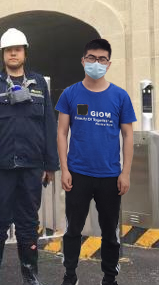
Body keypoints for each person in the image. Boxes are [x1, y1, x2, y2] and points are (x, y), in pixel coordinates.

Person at [0, 28, 59, 285]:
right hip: (0, 167)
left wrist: (50, 164)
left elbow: (48, 125)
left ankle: (30, 275)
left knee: (28, 222)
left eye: (17, 49)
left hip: (32, 166)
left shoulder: (38, 84)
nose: (13, 53)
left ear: (25, 52)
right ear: (3, 54)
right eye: (8, 50)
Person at [55, 38, 136, 285]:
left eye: (102, 59)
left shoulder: (120, 96)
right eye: (91, 58)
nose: (96, 63)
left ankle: (109, 278)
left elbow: (128, 135)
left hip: (110, 175)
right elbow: (61, 133)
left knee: (110, 232)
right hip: (77, 174)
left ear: (108, 64)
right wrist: (64, 169)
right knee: (73, 230)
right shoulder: (70, 93)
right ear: (83, 61)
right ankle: (70, 276)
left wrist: (125, 173)